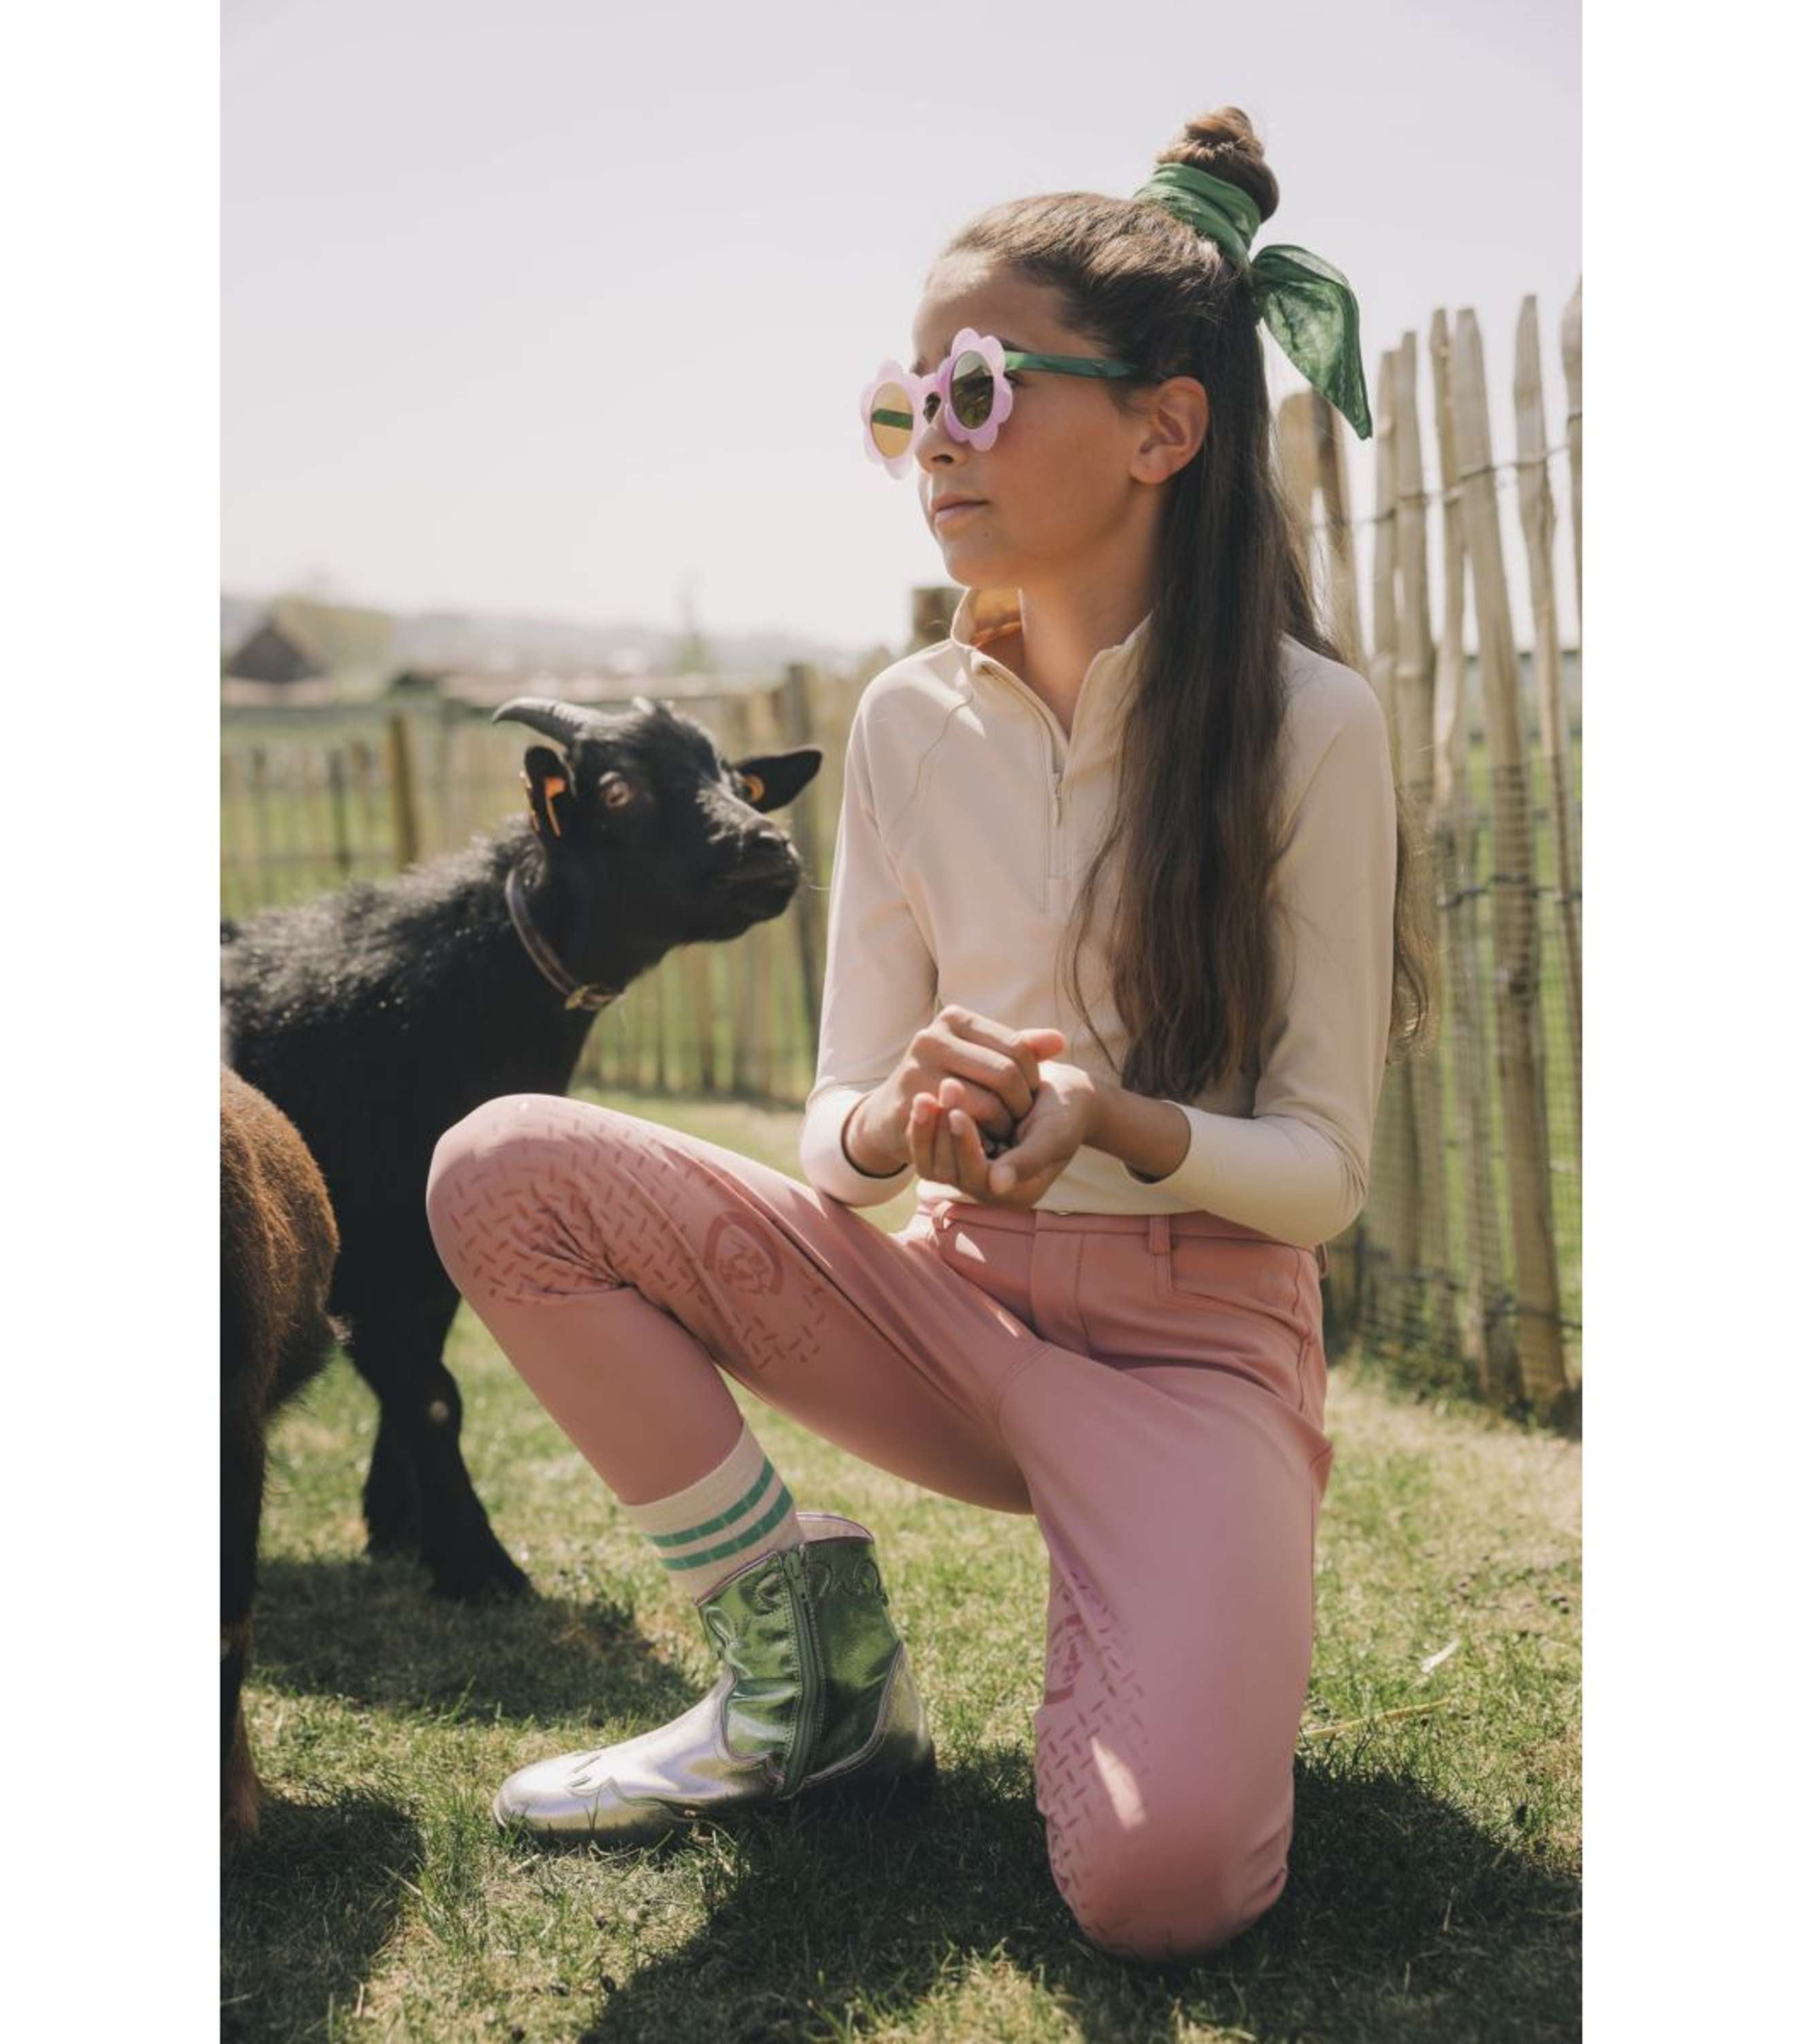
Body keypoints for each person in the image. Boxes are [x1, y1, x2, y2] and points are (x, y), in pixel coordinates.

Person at [424, 104, 1430, 1963]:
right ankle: (811, 1676)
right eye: (910, 401)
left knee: (1162, 1895)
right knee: (503, 1170)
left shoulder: (1313, 727)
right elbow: (835, 1133)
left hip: (1197, 1360)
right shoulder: (904, 720)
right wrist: (896, 1122)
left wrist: (1117, 1121)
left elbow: (1322, 1178)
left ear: (1164, 429)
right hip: (951, 1319)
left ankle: (1161, 1606)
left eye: (981, 388)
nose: (932, 440)